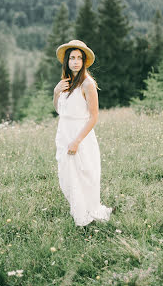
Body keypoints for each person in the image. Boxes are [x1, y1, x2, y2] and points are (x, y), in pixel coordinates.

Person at [53, 39, 112, 226]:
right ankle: (78, 210)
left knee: (84, 175)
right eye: (72, 58)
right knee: (67, 176)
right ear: (67, 61)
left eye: (79, 58)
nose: (76, 62)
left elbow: (93, 117)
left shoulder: (88, 84)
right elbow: (59, 110)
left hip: (81, 136)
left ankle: (86, 216)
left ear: (84, 61)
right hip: (64, 133)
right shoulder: (65, 83)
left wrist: (77, 141)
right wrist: (56, 92)